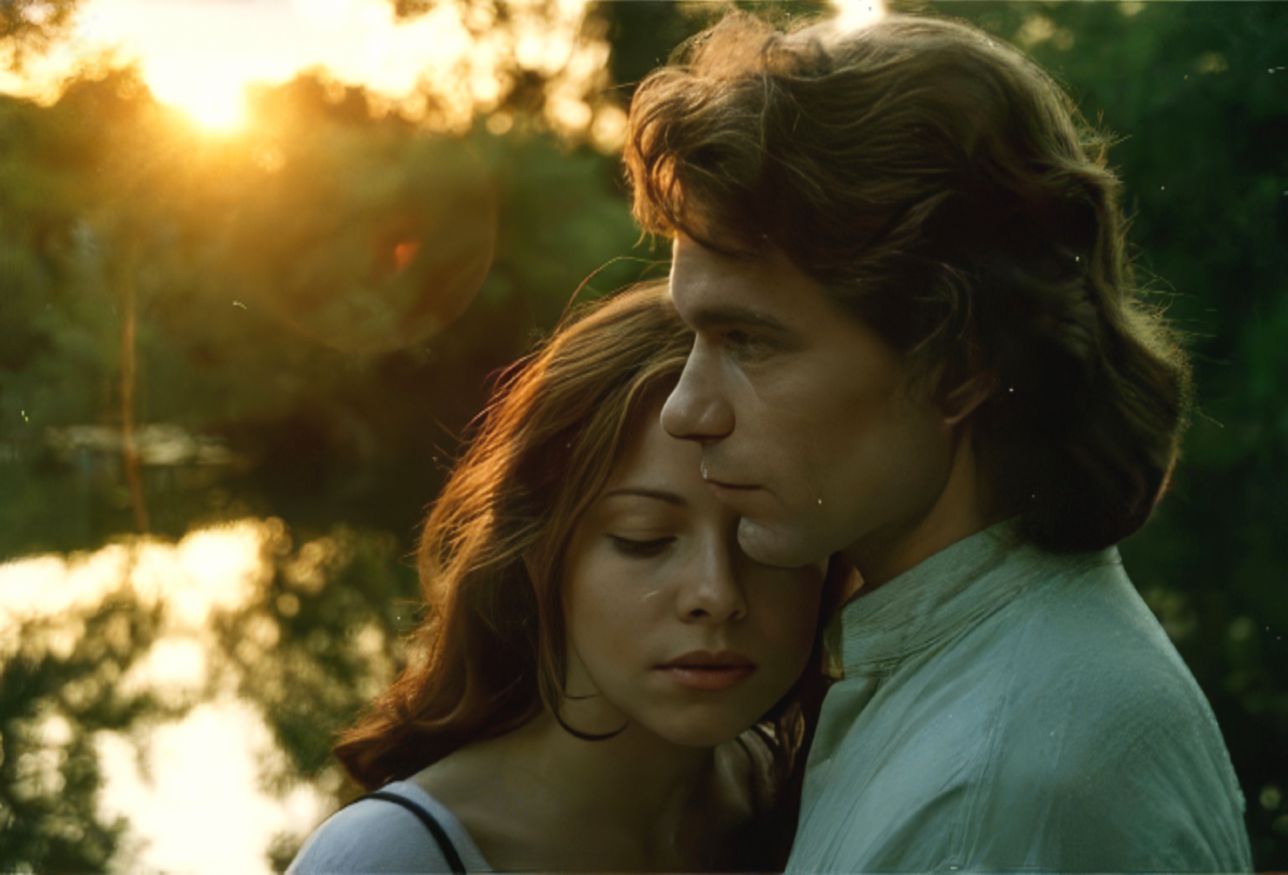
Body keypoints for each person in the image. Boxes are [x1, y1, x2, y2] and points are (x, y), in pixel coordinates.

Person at [624, 10, 1253, 873]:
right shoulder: (972, 674)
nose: (686, 410)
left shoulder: (986, 791)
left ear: (959, 364)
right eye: (694, 337)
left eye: (749, 342)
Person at [287, 281, 840, 873]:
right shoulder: (391, 859)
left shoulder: (826, 791)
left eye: (762, 537)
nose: (717, 594)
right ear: (539, 550)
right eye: (645, 537)